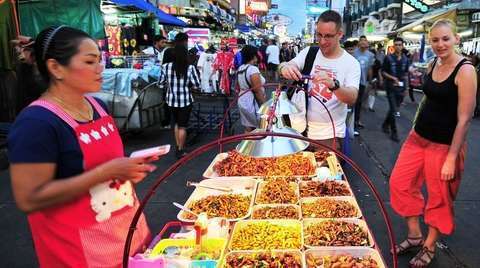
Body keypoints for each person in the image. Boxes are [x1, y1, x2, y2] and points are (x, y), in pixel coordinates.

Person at [7, 26, 155, 267]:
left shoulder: (98, 107)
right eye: (90, 62)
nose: (100, 69)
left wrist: (128, 170)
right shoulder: (36, 123)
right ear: (55, 68)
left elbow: (105, 168)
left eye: (99, 60)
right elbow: (29, 198)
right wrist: (106, 172)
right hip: (80, 253)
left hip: (128, 236)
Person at [389, 19, 477, 267]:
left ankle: (429, 245)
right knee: (400, 183)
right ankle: (415, 235)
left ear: (456, 39)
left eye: (445, 39)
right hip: (418, 138)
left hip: (445, 145)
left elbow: (465, 119)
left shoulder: (466, 70)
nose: (440, 44)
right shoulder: (434, 62)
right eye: (435, 39)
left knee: (439, 198)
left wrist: (451, 157)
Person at [279, 10, 360, 150]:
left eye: (328, 36)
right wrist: (285, 67)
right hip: (299, 131)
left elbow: (352, 97)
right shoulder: (309, 52)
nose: (322, 41)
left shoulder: (351, 63)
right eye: (319, 35)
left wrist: (334, 85)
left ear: (340, 34)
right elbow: (285, 66)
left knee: (326, 171)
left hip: (329, 136)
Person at [159, 43, 200, 158]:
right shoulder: (190, 67)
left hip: (171, 100)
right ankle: (180, 150)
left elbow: (160, 83)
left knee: (176, 124)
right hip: (185, 100)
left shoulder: (165, 67)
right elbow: (197, 84)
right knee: (183, 126)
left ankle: (178, 146)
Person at [381, 37, 410, 142]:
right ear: (393, 46)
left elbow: (406, 74)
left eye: (399, 44)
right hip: (391, 87)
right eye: (396, 45)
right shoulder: (388, 58)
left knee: (394, 109)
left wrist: (407, 88)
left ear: (402, 46)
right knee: (393, 109)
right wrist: (393, 78)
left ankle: (385, 124)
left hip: (401, 88)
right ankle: (394, 132)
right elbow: (383, 71)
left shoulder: (406, 59)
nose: (398, 46)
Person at [236, 45, 267, 132]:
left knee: (248, 127)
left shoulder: (241, 68)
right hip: (252, 102)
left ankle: (247, 145)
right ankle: (255, 145)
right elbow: (257, 90)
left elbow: (238, 86)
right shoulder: (253, 69)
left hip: (242, 99)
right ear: (253, 55)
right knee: (259, 128)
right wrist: (265, 106)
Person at [353, 35, 375, 136]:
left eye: (364, 41)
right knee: (351, 102)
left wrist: (369, 81)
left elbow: (370, 68)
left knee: (359, 103)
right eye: (361, 40)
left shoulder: (370, 55)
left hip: (362, 82)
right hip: (353, 81)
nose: (363, 42)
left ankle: (356, 121)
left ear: (367, 43)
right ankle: (350, 121)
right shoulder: (354, 53)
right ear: (358, 42)